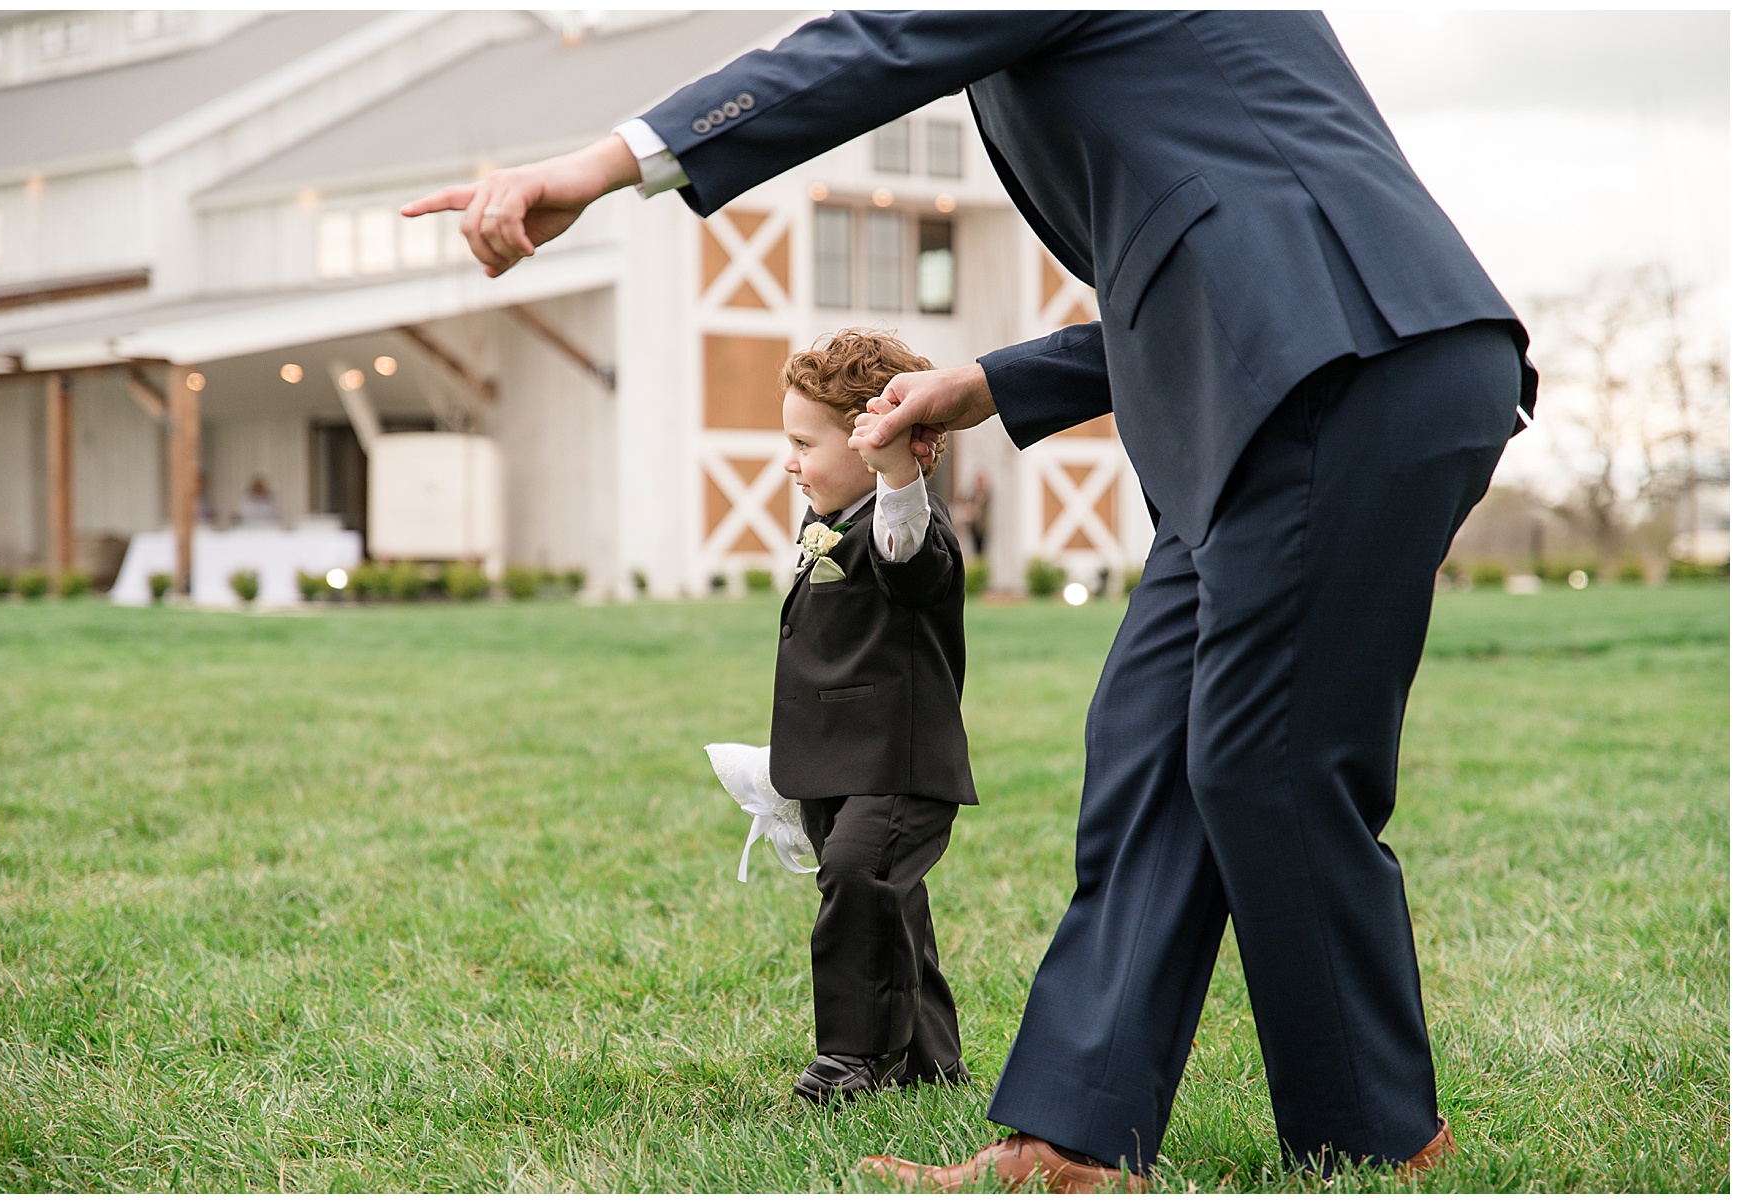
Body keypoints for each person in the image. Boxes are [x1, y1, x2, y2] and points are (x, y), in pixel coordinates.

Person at [404, 11, 1539, 1188]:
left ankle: (1377, 1139)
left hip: (1344, 361)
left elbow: (878, 45)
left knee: (1266, 764)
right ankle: (1074, 1138)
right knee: (1148, 746)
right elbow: (1198, 262)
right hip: (1285, 369)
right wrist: (988, 383)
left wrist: (603, 165)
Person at [769, 330, 976, 1103]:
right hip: (838, 766)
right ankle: (933, 1061)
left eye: (802, 442)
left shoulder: (903, 525)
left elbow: (908, 558)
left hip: (900, 764)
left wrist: (896, 476)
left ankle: (849, 1058)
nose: (789, 460)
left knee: (858, 882)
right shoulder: (824, 525)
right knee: (894, 908)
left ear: (873, 444)